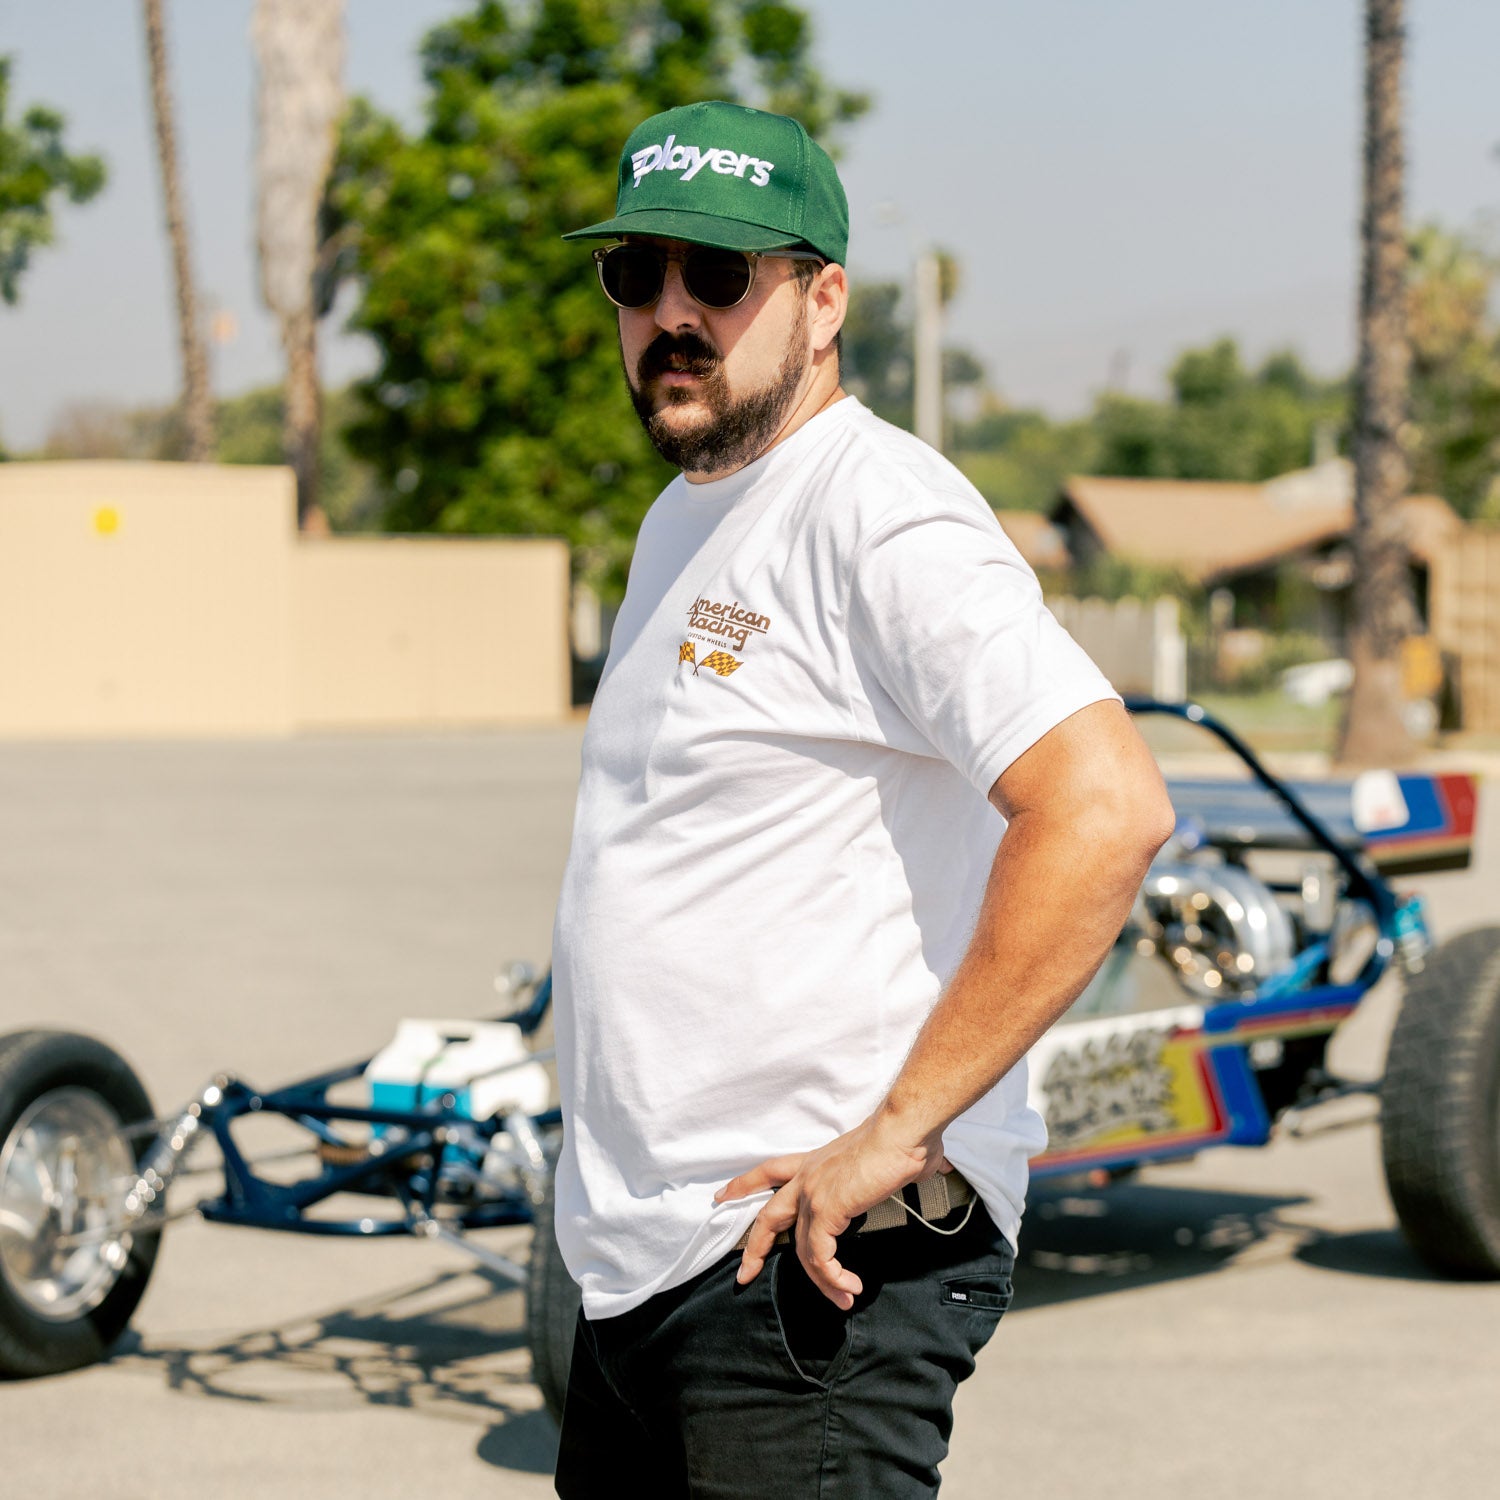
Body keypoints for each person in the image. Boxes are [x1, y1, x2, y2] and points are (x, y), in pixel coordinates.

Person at [548, 99, 1175, 1497]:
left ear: (824, 301)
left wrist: (896, 1132)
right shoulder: (685, 517)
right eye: (633, 273)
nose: (669, 313)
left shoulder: (877, 512)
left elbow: (1103, 806)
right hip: (646, 1268)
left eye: (719, 277)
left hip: (809, 1273)